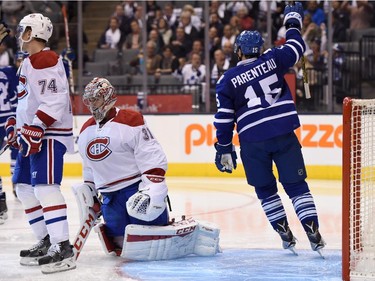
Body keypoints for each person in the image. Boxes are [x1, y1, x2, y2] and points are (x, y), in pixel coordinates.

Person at [213, 2, 326, 256]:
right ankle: (312, 229)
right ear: (260, 48)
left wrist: (223, 147)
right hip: (283, 133)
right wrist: (293, 19)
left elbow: (224, 118)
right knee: (296, 186)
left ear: (239, 52)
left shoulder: (227, 80)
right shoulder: (274, 58)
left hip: (252, 141)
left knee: (265, 190)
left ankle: (284, 232)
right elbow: (297, 47)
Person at [73, 77, 220, 260]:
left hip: (135, 190)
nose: (92, 104)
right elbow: (88, 165)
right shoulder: (86, 130)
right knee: (120, 243)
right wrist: (89, 190)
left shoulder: (130, 120)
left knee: (150, 231)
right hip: (110, 197)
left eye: (96, 99)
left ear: (108, 97)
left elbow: (151, 154)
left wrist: (153, 188)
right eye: (90, 100)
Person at [4, 13, 75, 273]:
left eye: (23, 29)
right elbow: (26, 101)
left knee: (45, 187)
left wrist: (36, 127)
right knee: (23, 187)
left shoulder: (45, 59)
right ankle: (46, 240)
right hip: (31, 134)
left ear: (33, 32)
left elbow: (55, 100)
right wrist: (16, 123)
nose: (19, 32)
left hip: (48, 134)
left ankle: (62, 245)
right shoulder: (28, 62)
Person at [0, 62, 18, 223]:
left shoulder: (6, 72)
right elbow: (13, 98)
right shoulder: (5, 74)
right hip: (6, 121)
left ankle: (1, 204)